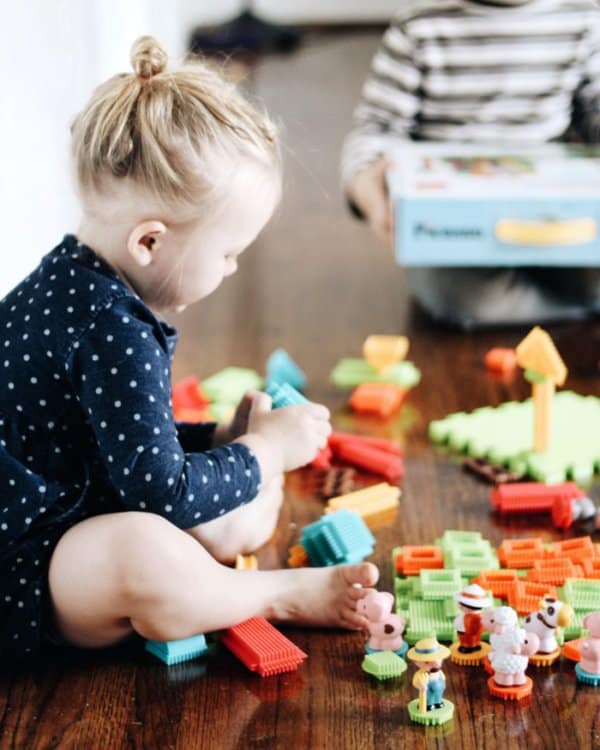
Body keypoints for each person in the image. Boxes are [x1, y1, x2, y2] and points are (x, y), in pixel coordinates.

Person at [0, 36, 378, 662]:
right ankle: (275, 594)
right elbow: (158, 494)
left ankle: (219, 561)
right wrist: (265, 450)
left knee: (214, 513)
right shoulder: (113, 329)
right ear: (150, 241)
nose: (230, 270)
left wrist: (213, 439)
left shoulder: (67, 276)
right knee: (146, 551)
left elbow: (114, 439)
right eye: (227, 253)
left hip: (53, 508)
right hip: (23, 566)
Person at [342, 0, 600, 329]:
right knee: (465, 299)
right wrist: (368, 186)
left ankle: (571, 299)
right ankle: (575, 310)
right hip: (456, 230)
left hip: (556, 220)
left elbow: (593, 113)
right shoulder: (421, 26)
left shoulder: (582, 16)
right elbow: (375, 130)